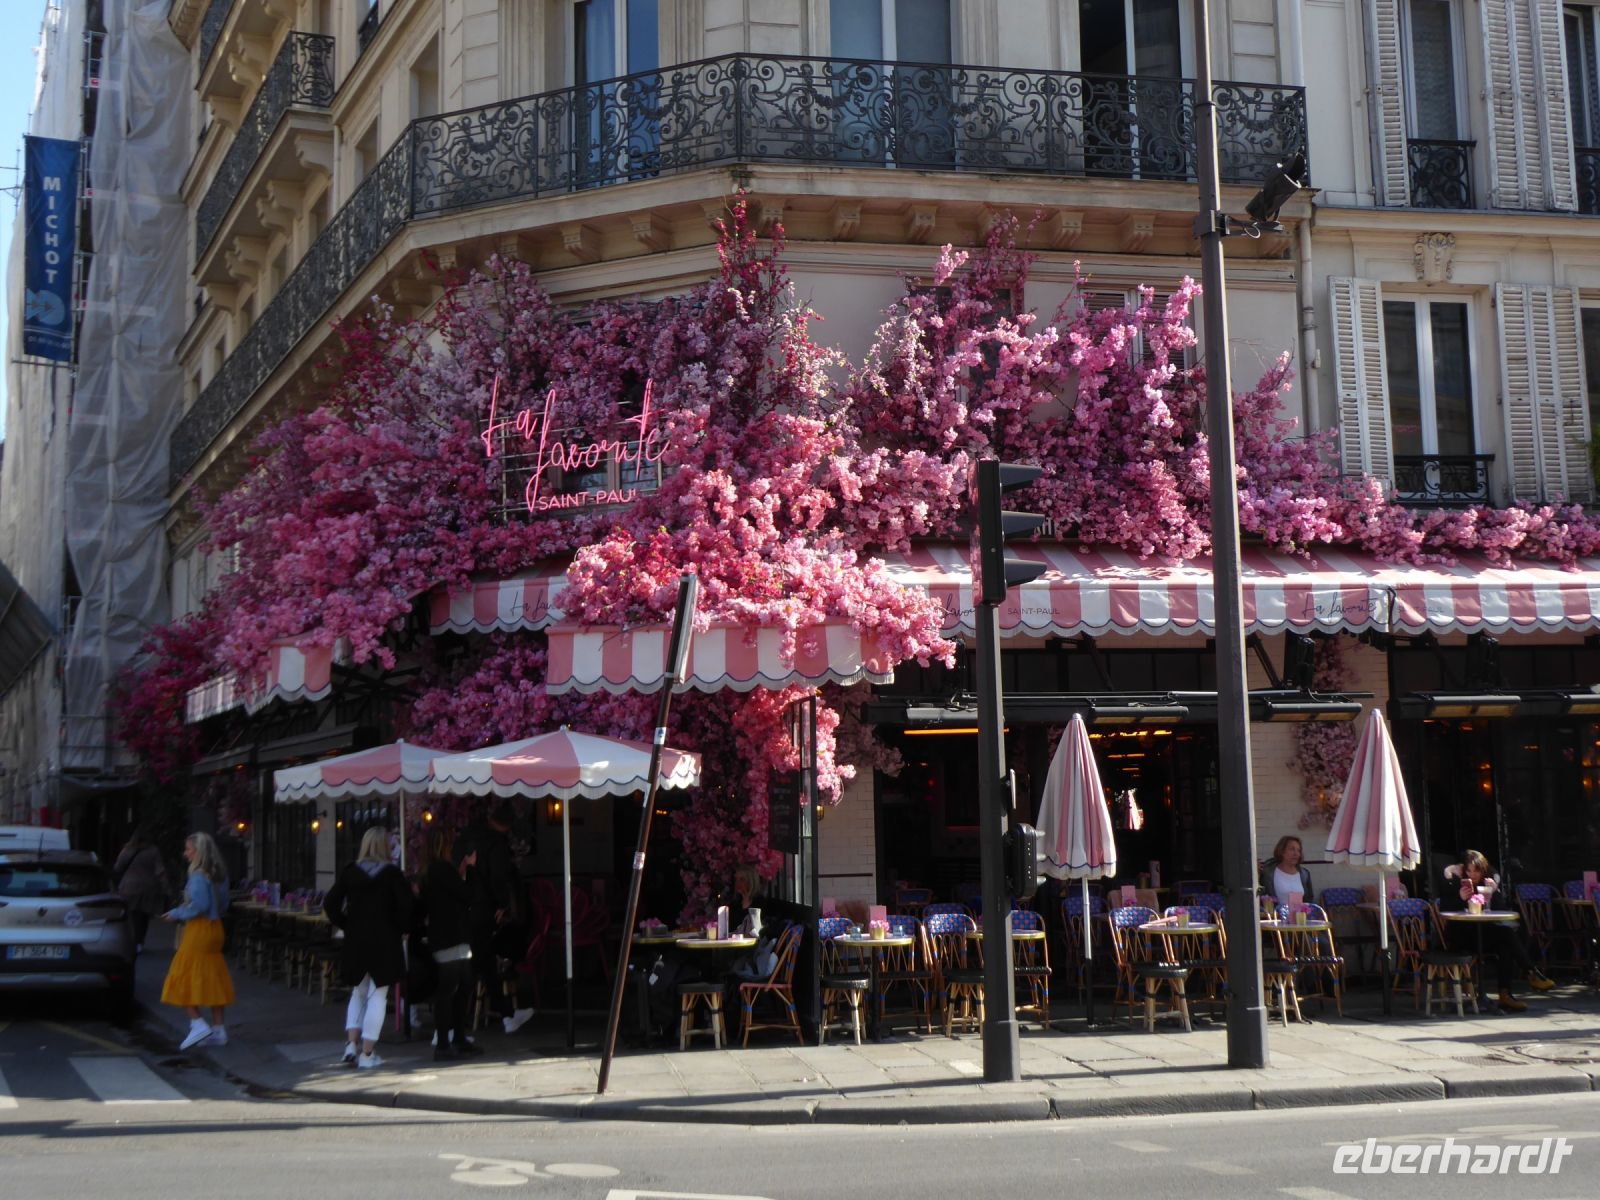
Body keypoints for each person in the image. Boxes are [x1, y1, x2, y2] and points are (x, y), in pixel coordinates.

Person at [323, 827, 413, 1070]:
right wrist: (402, 927)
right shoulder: (393, 874)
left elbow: (330, 903)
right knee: (378, 995)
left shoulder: (350, 872)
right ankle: (368, 1052)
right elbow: (407, 907)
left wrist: (346, 923)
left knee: (358, 993)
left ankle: (350, 1046)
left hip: (356, 940)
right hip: (385, 941)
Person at [1439, 849, 1555, 1012]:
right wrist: (1459, 898)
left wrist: (1494, 893)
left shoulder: (1486, 884)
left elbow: (1501, 911)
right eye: (1469, 871)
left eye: (1476, 871)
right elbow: (1443, 908)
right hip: (1461, 936)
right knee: (1506, 936)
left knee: (1506, 941)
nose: (1472, 875)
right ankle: (1531, 972)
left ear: (1483, 870)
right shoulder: (1456, 883)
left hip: (1483, 933)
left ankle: (1505, 994)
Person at [160, 832, 235, 1050]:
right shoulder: (218, 874)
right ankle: (219, 1029)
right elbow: (222, 905)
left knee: (181, 974)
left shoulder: (198, 875)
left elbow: (198, 906)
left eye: (189, 850)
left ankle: (197, 1022)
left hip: (199, 929)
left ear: (199, 852)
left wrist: (176, 913)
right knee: (212, 975)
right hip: (215, 928)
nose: (185, 854)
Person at [463, 802, 532, 1033]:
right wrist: (503, 904)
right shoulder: (497, 845)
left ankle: (506, 1015)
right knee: (478, 965)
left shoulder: (470, 837)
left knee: (482, 963)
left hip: (468, 906)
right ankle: (450, 1027)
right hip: (485, 909)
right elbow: (499, 878)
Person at [422, 827, 483, 1062]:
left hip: (448, 936)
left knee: (462, 986)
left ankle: (456, 1037)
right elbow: (468, 895)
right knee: (451, 990)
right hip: (451, 936)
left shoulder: (431, 871)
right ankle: (447, 1042)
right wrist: (471, 869)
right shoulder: (442, 870)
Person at [112, 824, 169, 953]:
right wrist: (165, 886)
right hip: (148, 889)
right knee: (143, 917)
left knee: (130, 915)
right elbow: (160, 870)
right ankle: (139, 942)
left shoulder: (127, 850)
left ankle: (131, 940)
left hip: (128, 888)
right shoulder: (153, 851)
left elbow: (118, 867)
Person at [1259, 835, 1315, 904]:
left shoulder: (1304, 874)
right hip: (1276, 913)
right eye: (1292, 849)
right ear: (1282, 851)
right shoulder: (1268, 873)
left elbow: (1309, 900)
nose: (1296, 853)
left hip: (1299, 914)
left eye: (1298, 850)